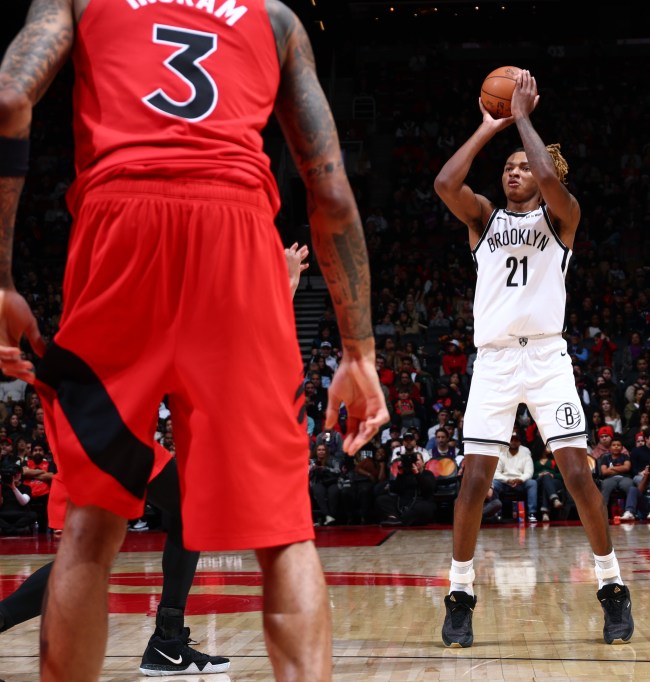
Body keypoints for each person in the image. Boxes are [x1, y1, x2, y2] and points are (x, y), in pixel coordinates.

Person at [0, 2, 389, 680]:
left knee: (90, 531)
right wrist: (359, 353)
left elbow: (8, 100)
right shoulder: (274, 18)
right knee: (284, 536)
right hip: (236, 232)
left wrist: (1, 278)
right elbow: (330, 192)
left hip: (119, 228)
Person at [433, 69, 632, 648]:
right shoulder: (483, 220)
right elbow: (447, 181)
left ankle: (612, 586)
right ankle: (461, 593)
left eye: (524, 166)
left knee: (575, 472)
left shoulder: (561, 217)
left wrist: (522, 118)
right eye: (509, 167)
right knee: (473, 483)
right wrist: (488, 125)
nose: (515, 171)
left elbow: (548, 174)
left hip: (546, 358)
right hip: (494, 361)